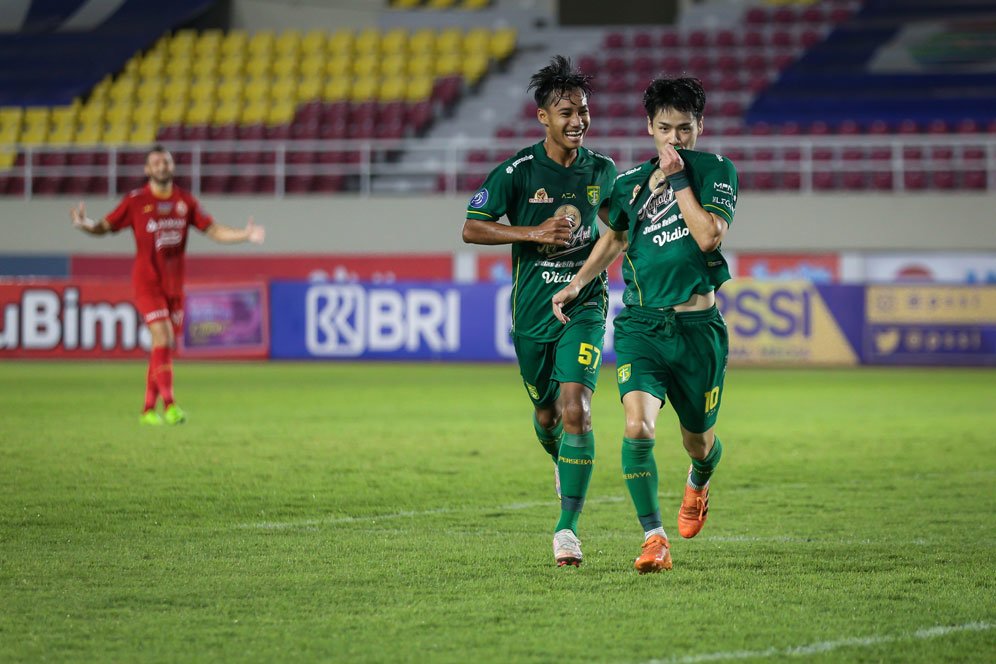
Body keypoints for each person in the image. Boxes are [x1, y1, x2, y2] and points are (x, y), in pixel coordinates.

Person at [552, 76, 738, 573]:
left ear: (700, 126)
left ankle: (699, 477)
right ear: (649, 127)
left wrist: (678, 180)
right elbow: (613, 240)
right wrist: (577, 282)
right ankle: (654, 538)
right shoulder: (629, 185)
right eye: (664, 129)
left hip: (698, 333)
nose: (673, 139)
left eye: (683, 128)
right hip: (641, 326)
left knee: (697, 441)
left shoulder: (717, 170)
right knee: (637, 426)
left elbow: (708, 238)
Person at [462, 55, 617, 567]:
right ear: (543, 119)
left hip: (584, 304)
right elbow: (472, 226)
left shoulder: (603, 171)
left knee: (577, 408)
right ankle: (560, 457)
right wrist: (531, 232)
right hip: (531, 316)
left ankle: (566, 530)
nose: (577, 120)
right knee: (547, 414)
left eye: (583, 111)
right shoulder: (518, 171)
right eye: (566, 112)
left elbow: (618, 232)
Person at [70, 144, 265, 425]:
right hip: (146, 282)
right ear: (147, 170)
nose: (162, 166)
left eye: (166, 162)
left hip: (174, 285)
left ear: (172, 167)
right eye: (156, 163)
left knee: (163, 345)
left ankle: (148, 409)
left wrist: (245, 235)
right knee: (163, 338)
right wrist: (85, 224)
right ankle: (171, 406)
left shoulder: (185, 202)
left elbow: (214, 230)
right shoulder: (135, 201)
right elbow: (105, 226)